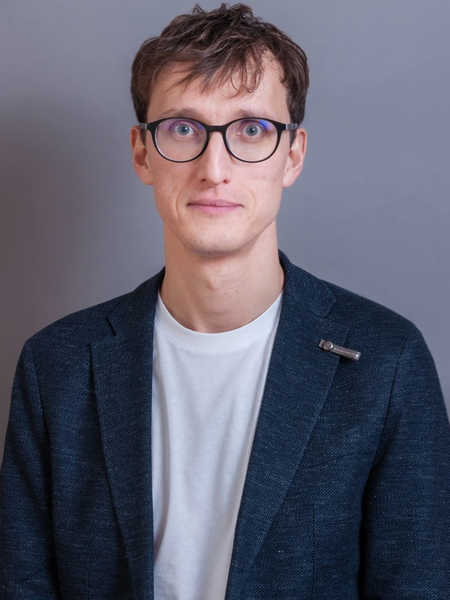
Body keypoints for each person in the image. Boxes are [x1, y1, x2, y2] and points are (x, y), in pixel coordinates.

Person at [1, 3, 449, 599]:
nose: (215, 169)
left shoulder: (386, 363)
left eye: (251, 130)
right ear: (141, 153)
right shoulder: (55, 368)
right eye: (183, 129)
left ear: (293, 155)